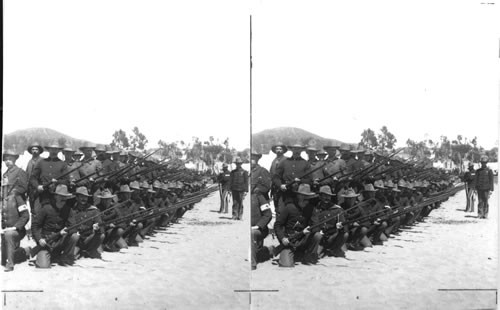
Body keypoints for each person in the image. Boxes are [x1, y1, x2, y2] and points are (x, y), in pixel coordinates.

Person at [31, 184, 80, 267]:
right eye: (61, 196)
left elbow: (73, 226)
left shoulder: (68, 210)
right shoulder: (46, 208)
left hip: (60, 241)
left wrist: (66, 231)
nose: (63, 199)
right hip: (47, 242)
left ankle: (65, 257)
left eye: (65, 197)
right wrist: (39, 239)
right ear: (56, 196)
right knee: (43, 266)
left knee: (74, 236)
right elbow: (35, 225)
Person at [273, 184, 320, 267]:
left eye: (307, 197)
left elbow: (316, 225)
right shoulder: (289, 207)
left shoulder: (311, 208)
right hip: (290, 240)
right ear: (298, 196)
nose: (306, 200)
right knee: (286, 265)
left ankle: (307, 256)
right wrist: (282, 238)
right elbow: (278, 225)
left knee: (317, 235)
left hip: (303, 239)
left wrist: (309, 230)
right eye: (303, 197)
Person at [1, 166, 30, 272]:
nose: (4, 189)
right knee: (1, 260)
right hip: (3, 230)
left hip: (16, 231)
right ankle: (21, 253)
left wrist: (15, 227)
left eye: (6, 187)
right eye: (3, 187)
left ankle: (10, 264)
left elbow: (26, 216)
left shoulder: (17, 197)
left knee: (8, 235)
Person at [29, 143, 69, 214]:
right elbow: (33, 177)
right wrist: (37, 186)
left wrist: (57, 182)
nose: (54, 151)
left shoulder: (62, 164)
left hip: (56, 196)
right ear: (48, 150)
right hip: (42, 194)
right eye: (52, 149)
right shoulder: (41, 162)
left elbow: (66, 181)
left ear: (58, 151)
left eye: (56, 149)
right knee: (40, 214)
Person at [272, 144, 311, 215]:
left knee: (296, 213)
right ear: (292, 150)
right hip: (285, 192)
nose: (297, 151)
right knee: (282, 212)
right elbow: (276, 177)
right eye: (295, 149)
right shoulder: (284, 162)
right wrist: (280, 185)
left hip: (299, 194)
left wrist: (300, 181)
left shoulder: (305, 163)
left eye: (299, 149)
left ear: (301, 150)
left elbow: (309, 179)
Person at [72, 187, 104, 259]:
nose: (84, 199)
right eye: (81, 197)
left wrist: (97, 228)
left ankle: (88, 250)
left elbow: (100, 226)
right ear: (76, 197)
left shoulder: (94, 210)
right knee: (72, 256)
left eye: (85, 197)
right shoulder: (72, 210)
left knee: (101, 235)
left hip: (89, 238)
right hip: (77, 240)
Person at [269, 143, 288, 212]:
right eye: (277, 149)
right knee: (276, 206)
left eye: (280, 149)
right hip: (275, 187)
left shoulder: (286, 160)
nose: (278, 150)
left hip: (283, 186)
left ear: (283, 150)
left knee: (282, 205)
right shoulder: (274, 161)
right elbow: (271, 173)